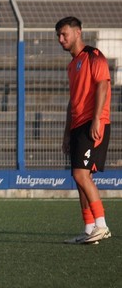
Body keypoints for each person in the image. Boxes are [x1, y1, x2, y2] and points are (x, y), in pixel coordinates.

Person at [56, 16, 112, 244]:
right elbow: (73, 101)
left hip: (93, 122)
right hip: (78, 125)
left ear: (78, 32)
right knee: (80, 179)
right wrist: (67, 132)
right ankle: (89, 229)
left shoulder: (93, 56)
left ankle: (102, 225)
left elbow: (103, 85)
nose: (60, 40)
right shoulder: (73, 64)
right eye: (58, 36)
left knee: (81, 175)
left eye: (64, 34)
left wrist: (97, 119)